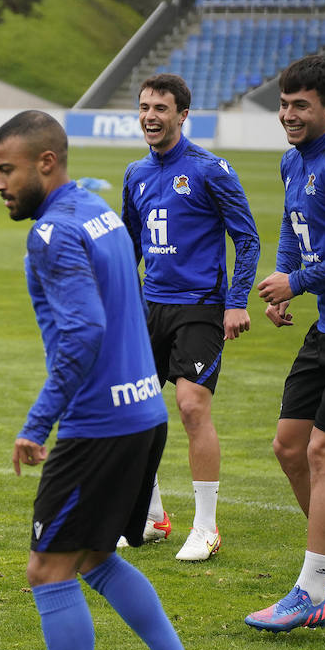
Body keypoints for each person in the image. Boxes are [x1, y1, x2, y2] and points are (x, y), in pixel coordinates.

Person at [0, 110, 213, 650]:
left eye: (7, 170)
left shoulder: (53, 234)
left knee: (48, 568)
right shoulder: (94, 207)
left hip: (99, 425)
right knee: (92, 559)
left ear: (46, 164)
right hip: (142, 411)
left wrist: (38, 423)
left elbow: (82, 334)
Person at [119, 73, 260, 562]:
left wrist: (237, 301)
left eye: (160, 108)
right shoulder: (135, 173)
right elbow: (130, 245)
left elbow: (248, 238)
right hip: (149, 307)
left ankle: (206, 527)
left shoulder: (209, 169)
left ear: (182, 115)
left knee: (190, 405)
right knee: (134, 409)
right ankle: (153, 517)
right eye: (144, 107)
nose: (150, 116)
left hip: (200, 306)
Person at [246, 54, 325, 632]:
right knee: (289, 446)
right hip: (323, 326)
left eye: (301, 105)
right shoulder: (292, 163)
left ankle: (312, 588)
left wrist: (296, 281)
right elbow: (292, 228)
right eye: (283, 105)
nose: (288, 115)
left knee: (323, 450)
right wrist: (283, 286)